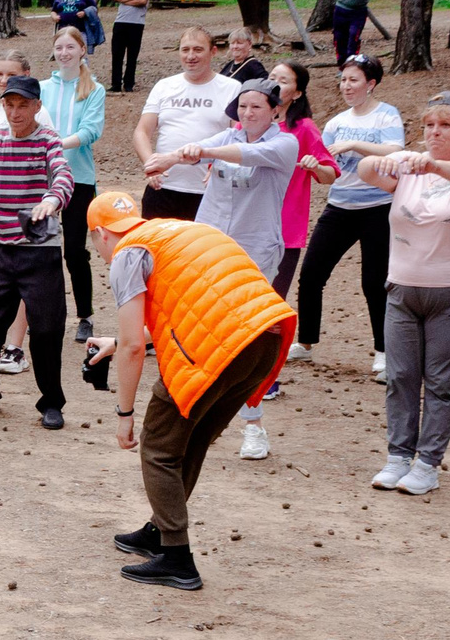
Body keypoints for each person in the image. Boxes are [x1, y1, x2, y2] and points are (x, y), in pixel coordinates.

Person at [82, 189, 298, 590]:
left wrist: (124, 415)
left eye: (96, 243)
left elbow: (132, 348)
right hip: (264, 338)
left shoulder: (127, 253)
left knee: (158, 447)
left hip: (217, 349)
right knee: (192, 438)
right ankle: (158, 532)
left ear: (100, 234)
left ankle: (177, 558)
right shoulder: (176, 232)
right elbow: (198, 304)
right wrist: (121, 341)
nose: (100, 252)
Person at [352, 94, 450, 494]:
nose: (435, 133)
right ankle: (398, 456)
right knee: (400, 376)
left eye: (446, 125)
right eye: (429, 126)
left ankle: (428, 464)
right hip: (401, 287)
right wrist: (384, 160)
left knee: (441, 382)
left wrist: (434, 164)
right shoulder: (410, 165)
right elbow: (366, 170)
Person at [141, 79, 300, 460]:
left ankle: (253, 425)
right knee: (203, 328)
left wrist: (196, 153)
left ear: (275, 109)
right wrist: (170, 159)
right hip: (212, 248)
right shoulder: (226, 135)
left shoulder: (284, 144)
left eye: (257, 107)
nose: (247, 114)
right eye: (242, 107)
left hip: (255, 250)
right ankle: (198, 412)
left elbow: (241, 154)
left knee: (248, 337)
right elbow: (201, 150)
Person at [0, 74, 75, 428]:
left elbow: (62, 176)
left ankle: (51, 402)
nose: (15, 112)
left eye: (23, 105)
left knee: (45, 331)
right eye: (9, 105)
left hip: (40, 248)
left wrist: (52, 199)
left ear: (37, 107)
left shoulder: (48, 141)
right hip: (2, 248)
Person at [293, 54, 405, 377]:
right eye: (343, 80)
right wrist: (316, 168)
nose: (346, 86)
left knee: (374, 282)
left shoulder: (387, 116)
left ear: (371, 84)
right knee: (312, 273)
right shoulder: (335, 123)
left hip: (378, 209)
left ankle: (384, 352)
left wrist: (354, 144)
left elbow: (396, 151)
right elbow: (328, 169)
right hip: (340, 206)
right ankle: (306, 342)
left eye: (353, 80)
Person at [42, 25, 107, 340]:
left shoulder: (94, 89)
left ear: (83, 50)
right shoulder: (42, 88)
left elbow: (90, 131)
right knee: (42, 247)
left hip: (79, 180)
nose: (64, 53)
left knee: (74, 251)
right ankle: (44, 313)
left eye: (71, 47)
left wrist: (56, 145)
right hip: (42, 178)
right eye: (59, 47)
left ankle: (85, 316)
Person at [133, 25, 234, 221]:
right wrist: (150, 163)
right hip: (163, 189)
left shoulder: (231, 88)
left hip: (209, 192)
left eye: (198, 49)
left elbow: (239, 137)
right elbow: (141, 132)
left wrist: (219, 165)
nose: (190, 56)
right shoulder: (164, 86)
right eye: (185, 49)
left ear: (213, 51)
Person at [268, 61, 329, 302]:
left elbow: (330, 175)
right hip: (246, 227)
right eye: (272, 77)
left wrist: (316, 166)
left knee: (271, 303)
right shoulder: (248, 122)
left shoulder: (304, 128)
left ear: (297, 93)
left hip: (285, 230)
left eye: (283, 81)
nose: (275, 84)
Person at [109, 0, 154, 92]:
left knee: (132, 55)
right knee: (117, 54)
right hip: (120, 22)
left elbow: (143, 0)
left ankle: (129, 83)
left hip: (136, 23)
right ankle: (116, 84)